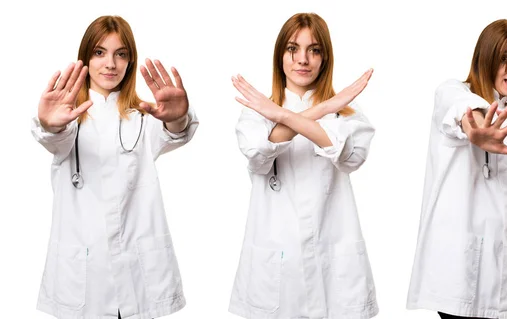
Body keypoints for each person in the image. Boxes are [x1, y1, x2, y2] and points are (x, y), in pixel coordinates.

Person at [31, 15, 198, 319]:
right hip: (84, 275)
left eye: (120, 54)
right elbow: (52, 137)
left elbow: (176, 133)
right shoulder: (68, 120)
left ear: (130, 62)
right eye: (99, 52)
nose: (110, 63)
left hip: (139, 272)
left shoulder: (144, 118)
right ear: (85, 58)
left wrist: (176, 117)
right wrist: (49, 124)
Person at [229, 12, 378, 319]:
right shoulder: (255, 113)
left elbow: (351, 157)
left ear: (325, 58)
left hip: (333, 260)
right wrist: (320, 109)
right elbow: (259, 153)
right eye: (293, 48)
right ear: (280, 56)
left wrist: (287, 115)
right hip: (276, 267)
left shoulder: (345, 113)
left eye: (315, 50)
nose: (303, 59)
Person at [407, 19, 507, 319]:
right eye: (505, 58)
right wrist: (476, 127)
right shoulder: (452, 91)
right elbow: (462, 111)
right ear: (485, 57)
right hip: (462, 279)